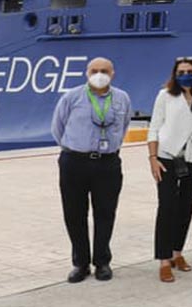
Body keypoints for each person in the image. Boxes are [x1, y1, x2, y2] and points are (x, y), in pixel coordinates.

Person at [51, 56, 133, 283]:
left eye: (104, 70)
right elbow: (57, 127)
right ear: (87, 73)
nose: (99, 74)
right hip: (74, 162)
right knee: (74, 214)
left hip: (107, 163)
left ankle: (102, 262)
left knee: (105, 213)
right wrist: (75, 149)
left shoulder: (121, 98)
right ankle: (80, 263)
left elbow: (124, 125)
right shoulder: (72, 97)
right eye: (95, 70)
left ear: (112, 73)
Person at [148, 56, 192, 283]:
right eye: (181, 71)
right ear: (175, 75)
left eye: (190, 71)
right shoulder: (165, 96)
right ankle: (164, 260)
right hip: (168, 157)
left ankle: (178, 252)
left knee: (186, 207)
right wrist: (152, 157)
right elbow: (154, 127)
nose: (186, 74)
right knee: (167, 207)